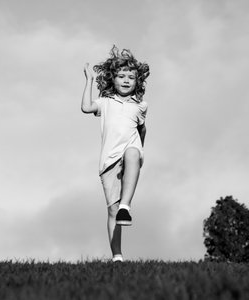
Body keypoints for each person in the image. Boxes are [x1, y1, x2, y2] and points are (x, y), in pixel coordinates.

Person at [81, 45, 150, 262]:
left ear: (137, 81)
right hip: (108, 161)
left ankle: (125, 206)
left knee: (132, 152)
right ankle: (117, 256)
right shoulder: (105, 103)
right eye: (121, 76)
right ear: (113, 79)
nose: (126, 80)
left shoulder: (140, 106)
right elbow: (85, 108)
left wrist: (140, 153)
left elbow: (142, 129)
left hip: (129, 153)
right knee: (111, 213)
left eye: (131, 77)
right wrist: (89, 81)